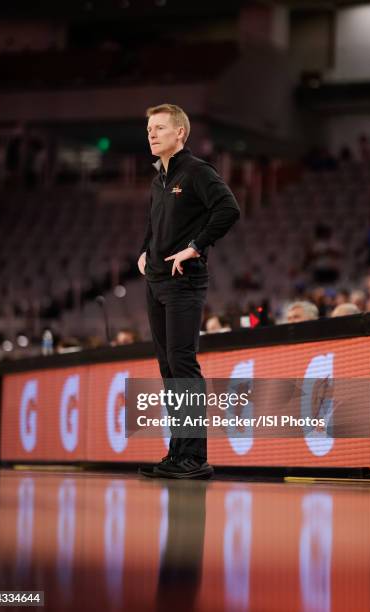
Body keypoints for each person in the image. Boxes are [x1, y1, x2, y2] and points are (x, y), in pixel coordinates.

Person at [138, 103, 240, 479]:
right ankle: (177, 452)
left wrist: (196, 245)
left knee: (183, 366)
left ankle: (194, 458)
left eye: (160, 128)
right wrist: (143, 253)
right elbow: (153, 225)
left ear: (180, 133)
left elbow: (229, 209)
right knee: (168, 370)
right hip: (156, 281)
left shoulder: (197, 171)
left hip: (184, 281)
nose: (151, 134)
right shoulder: (158, 178)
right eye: (149, 128)